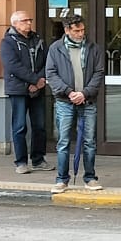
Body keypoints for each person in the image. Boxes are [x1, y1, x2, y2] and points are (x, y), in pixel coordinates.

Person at [43, 12, 106, 194]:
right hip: (65, 100)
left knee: (89, 142)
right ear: (67, 30)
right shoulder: (56, 49)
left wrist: (84, 93)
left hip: (87, 100)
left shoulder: (93, 48)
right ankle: (62, 179)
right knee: (63, 141)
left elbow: (98, 73)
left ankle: (90, 177)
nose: (81, 34)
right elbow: (51, 74)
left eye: (83, 30)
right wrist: (69, 92)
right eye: (77, 31)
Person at [1, 10, 50, 174]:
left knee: (40, 126)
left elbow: (47, 61)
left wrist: (40, 80)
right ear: (14, 23)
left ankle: (38, 159)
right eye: (24, 20)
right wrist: (34, 80)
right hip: (18, 89)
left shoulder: (38, 39)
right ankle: (21, 162)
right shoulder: (8, 42)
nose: (29, 23)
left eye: (30, 19)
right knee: (20, 126)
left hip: (38, 87)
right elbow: (13, 65)